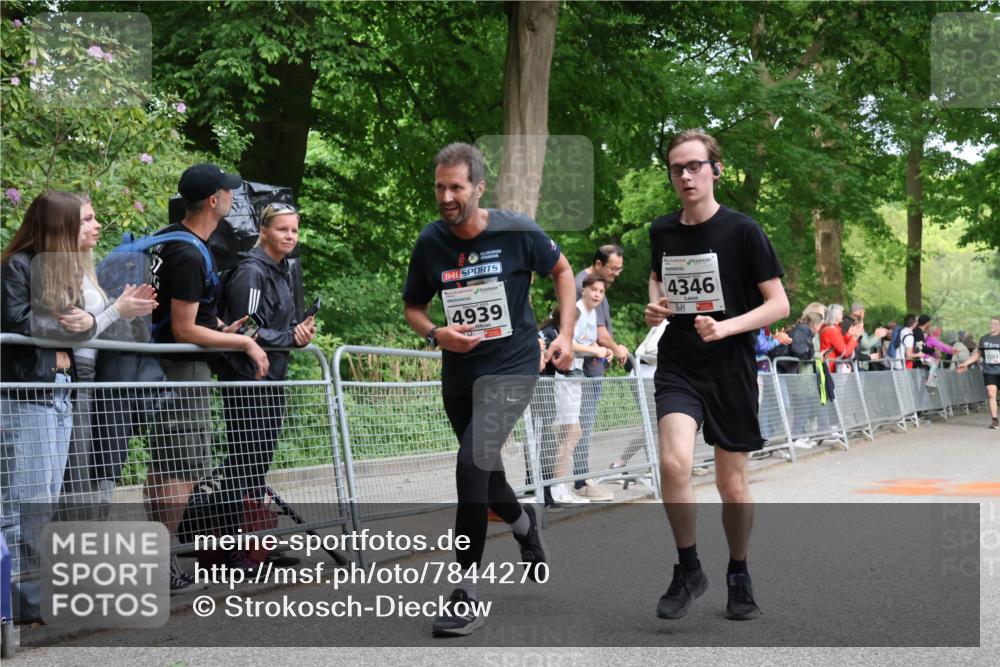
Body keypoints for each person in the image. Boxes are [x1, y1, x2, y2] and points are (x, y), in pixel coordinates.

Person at [403, 142, 576, 637]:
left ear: (479, 187)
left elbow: (562, 271)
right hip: (460, 370)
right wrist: (437, 333)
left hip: (513, 364)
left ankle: (465, 592)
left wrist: (563, 335)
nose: (446, 196)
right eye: (440, 186)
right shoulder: (431, 241)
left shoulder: (517, 230)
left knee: (470, 462)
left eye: (456, 186)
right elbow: (414, 308)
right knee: (485, 472)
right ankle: (524, 527)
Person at [645, 130, 788, 622]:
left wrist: (725, 326)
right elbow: (660, 280)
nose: (685, 175)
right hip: (680, 362)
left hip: (730, 367)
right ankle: (688, 567)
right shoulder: (662, 230)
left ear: (715, 169)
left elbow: (779, 304)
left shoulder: (744, 231)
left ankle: (739, 572)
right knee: (673, 465)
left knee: (732, 484)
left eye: (694, 166)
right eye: (676, 168)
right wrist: (656, 305)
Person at [147, 163, 269, 591]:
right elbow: (181, 328)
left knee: (164, 466)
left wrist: (219, 331)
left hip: (164, 366)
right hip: (180, 370)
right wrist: (244, 344)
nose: (234, 197)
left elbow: (182, 317)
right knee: (177, 467)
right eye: (228, 192)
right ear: (213, 200)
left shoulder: (168, 240)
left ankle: (158, 558)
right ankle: (160, 563)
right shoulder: (187, 252)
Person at [1, 191, 95, 619]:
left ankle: (32, 597)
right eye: (79, 221)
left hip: (59, 392)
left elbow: (80, 328)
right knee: (25, 500)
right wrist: (66, 323)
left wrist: (87, 322)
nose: (87, 230)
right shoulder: (17, 267)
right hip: (28, 393)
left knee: (44, 499)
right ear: (58, 226)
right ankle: (22, 601)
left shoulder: (64, 270)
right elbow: (17, 321)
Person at [217, 202, 316, 568]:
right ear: (264, 231)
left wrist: (300, 333)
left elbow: (284, 326)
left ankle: (255, 543)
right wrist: (289, 336)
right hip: (247, 380)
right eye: (282, 230)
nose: (290, 236)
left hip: (273, 378)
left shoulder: (284, 270)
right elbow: (245, 327)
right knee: (242, 464)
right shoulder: (251, 272)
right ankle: (230, 550)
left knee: (257, 465)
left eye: (294, 230)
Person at [59, 196, 158, 518]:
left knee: (90, 466)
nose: (97, 225)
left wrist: (125, 309)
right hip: (72, 377)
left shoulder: (87, 267)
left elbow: (93, 326)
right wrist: (118, 310)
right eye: (87, 219)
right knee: (72, 472)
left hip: (91, 375)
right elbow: (74, 330)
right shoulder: (57, 269)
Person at [571, 244, 628, 501]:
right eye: (612, 268)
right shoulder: (586, 286)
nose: (616, 274)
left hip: (590, 366)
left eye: (619, 269)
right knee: (580, 425)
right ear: (597, 265)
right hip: (584, 369)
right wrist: (617, 350)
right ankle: (581, 480)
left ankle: (577, 479)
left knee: (578, 425)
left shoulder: (591, 284)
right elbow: (601, 334)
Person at [551, 274, 613, 505]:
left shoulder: (593, 312)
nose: (597, 294)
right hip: (566, 375)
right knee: (572, 432)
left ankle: (559, 486)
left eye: (601, 291)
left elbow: (589, 342)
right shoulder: (576, 310)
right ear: (583, 290)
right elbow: (567, 341)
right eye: (593, 289)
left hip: (577, 376)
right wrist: (594, 351)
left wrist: (601, 349)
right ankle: (557, 488)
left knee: (571, 433)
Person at [957, 316, 1000, 429]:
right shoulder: (984, 339)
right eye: (991, 323)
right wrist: (966, 363)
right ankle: (995, 420)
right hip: (989, 370)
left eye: (995, 324)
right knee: (991, 393)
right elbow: (977, 354)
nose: (992, 326)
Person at [819, 303, 859, 373]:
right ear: (836, 315)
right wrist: (854, 339)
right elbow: (844, 352)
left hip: (831, 365)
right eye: (841, 313)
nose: (842, 315)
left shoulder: (831, 329)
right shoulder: (832, 331)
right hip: (831, 367)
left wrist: (850, 336)